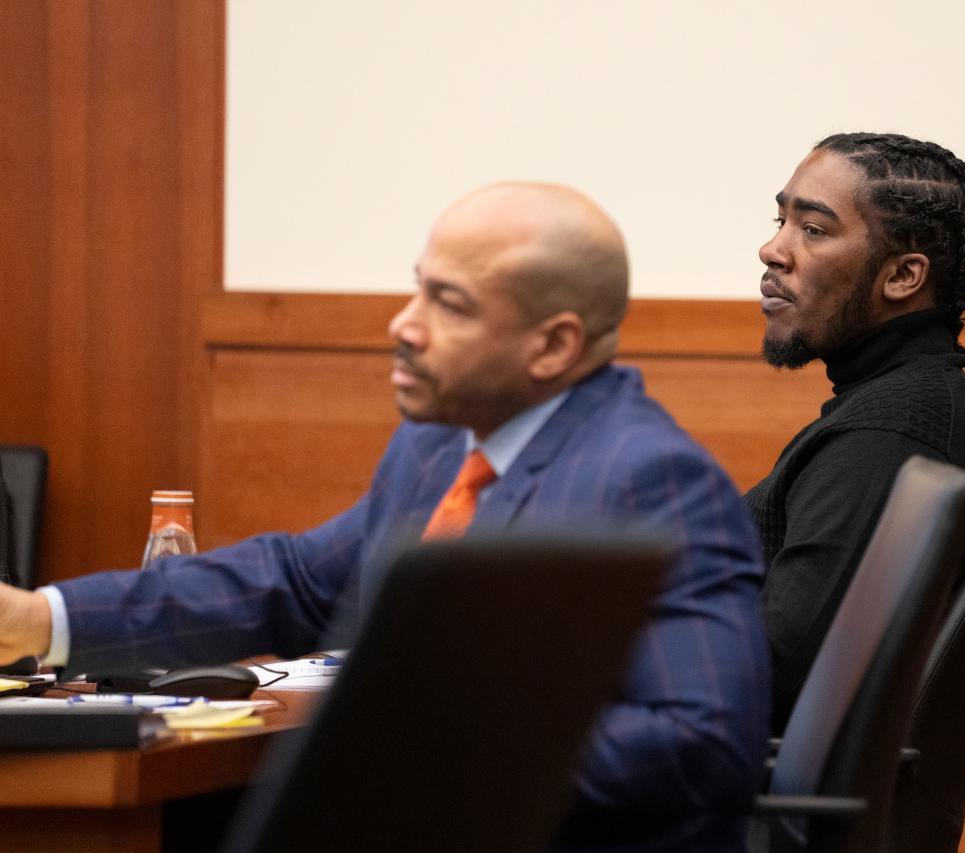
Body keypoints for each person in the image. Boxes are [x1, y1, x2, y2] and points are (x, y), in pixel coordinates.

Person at [0, 183, 770, 851]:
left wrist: (420, 747)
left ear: (553, 344)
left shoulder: (648, 476)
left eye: (449, 303)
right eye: (418, 288)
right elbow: (296, 579)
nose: (404, 323)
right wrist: (44, 618)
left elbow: (703, 745)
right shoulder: (439, 443)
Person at [749, 133, 965, 731]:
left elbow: (770, 673)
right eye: (780, 220)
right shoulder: (893, 408)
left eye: (812, 230)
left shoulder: (889, 436)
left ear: (902, 276)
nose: (771, 250)